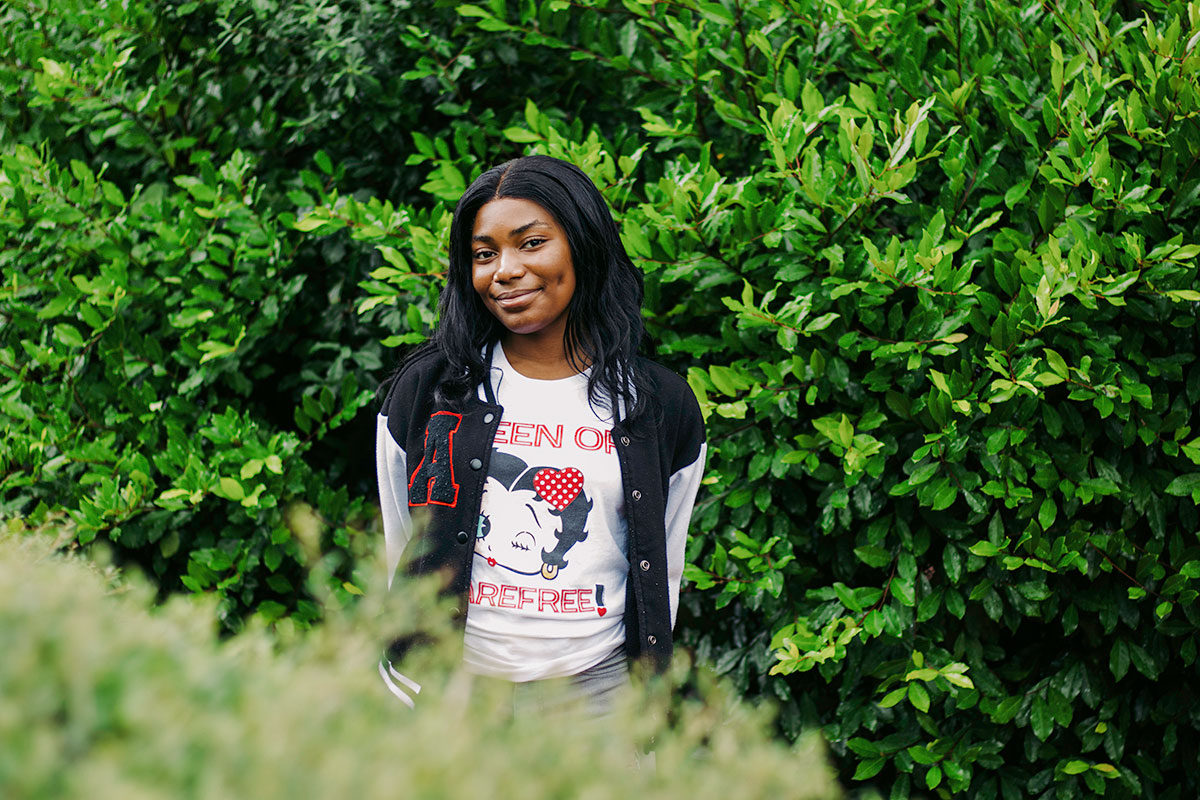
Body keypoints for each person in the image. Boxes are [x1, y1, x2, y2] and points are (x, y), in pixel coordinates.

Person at [375, 155, 706, 715]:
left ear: (583, 244)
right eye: (484, 254)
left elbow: (661, 564)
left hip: (596, 703)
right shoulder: (429, 391)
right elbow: (401, 543)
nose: (503, 270)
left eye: (531, 243)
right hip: (447, 694)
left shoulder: (656, 406)